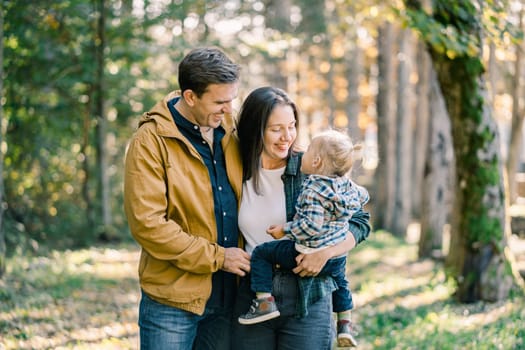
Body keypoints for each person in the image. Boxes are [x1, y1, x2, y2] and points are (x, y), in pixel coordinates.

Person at [123, 47, 251, 350]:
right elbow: (148, 225)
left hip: (228, 299)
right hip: (172, 301)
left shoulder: (229, 128)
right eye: (220, 102)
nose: (228, 110)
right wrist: (219, 257)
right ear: (190, 96)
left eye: (231, 100)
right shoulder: (150, 141)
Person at [232, 86, 371, 350]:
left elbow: (361, 223)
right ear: (255, 129)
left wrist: (326, 254)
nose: (287, 137)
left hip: (309, 294)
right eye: (276, 129)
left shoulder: (315, 169)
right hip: (254, 295)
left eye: (292, 126)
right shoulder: (235, 171)